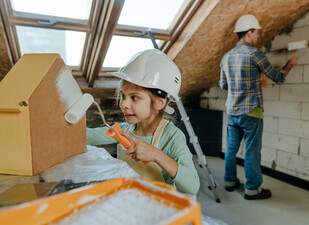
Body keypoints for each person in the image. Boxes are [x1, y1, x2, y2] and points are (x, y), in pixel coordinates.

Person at [87, 49, 200, 195]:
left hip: (157, 209)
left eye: (134, 97)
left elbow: (193, 185)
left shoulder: (173, 137)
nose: (124, 104)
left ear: (160, 102)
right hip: (129, 203)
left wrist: (157, 155)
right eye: (123, 96)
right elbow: (87, 135)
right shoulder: (124, 131)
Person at [220, 14, 297, 200]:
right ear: (249, 32)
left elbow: (223, 85)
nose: (258, 36)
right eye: (257, 32)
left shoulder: (226, 56)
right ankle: (252, 189)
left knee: (231, 149)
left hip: (232, 111)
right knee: (252, 151)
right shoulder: (254, 54)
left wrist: (239, 83)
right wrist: (289, 66)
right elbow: (277, 77)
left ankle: (230, 181)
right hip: (251, 112)